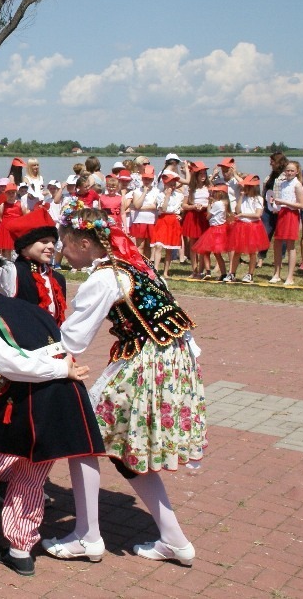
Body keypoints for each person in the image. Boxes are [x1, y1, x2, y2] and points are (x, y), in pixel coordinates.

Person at [43, 203, 205, 568]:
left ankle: (87, 535)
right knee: (123, 446)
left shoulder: (105, 277)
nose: (61, 250)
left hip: (146, 362)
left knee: (83, 433)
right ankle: (174, 540)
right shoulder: (136, 264)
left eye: (65, 242)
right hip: (171, 362)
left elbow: (73, 339)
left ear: (84, 242)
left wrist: (26, 357)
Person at [0, 246, 102, 576]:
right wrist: (62, 368)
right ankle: (20, 549)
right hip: (60, 401)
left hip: (25, 400)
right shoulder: (30, 307)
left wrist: (59, 369)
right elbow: (60, 346)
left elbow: (11, 364)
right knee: (29, 474)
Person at [0, 206, 67, 324]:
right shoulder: (13, 272)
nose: (51, 246)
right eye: (44, 241)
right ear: (24, 246)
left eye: (53, 242)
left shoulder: (58, 279)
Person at [228, 176, 270, 284]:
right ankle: (232, 273)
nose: (244, 187)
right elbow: (237, 210)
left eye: (247, 186)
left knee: (252, 252)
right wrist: (241, 197)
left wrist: (243, 214)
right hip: (241, 225)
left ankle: (250, 274)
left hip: (253, 226)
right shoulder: (243, 197)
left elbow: (257, 214)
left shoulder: (258, 198)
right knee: (237, 251)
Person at [269, 160, 303, 285]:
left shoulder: (297, 185)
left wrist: (283, 202)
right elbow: (279, 199)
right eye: (287, 170)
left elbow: (302, 205)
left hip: (291, 214)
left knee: (290, 245)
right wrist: (275, 204)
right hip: (282, 213)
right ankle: (276, 273)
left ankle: (290, 276)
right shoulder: (282, 183)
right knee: (277, 243)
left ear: (297, 172)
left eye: (292, 171)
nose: (289, 173)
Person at [193, 185, 233, 281]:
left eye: (215, 192)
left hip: (214, 229)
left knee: (206, 251)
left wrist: (209, 204)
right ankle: (223, 273)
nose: (213, 194)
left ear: (220, 193)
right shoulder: (224, 203)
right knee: (217, 254)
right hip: (220, 229)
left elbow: (208, 216)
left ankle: (208, 271)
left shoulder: (217, 204)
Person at [150, 171, 184, 278]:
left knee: (169, 248)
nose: (172, 187)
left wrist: (180, 215)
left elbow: (180, 208)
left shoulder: (179, 196)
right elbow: (163, 209)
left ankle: (166, 272)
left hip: (173, 220)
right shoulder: (160, 195)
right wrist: (167, 196)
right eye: (170, 184)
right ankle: (156, 269)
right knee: (159, 246)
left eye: (174, 185)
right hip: (163, 220)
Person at [181, 162, 210, 279]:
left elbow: (213, 202)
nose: (203, 176)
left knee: (203, 243)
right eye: (200, 174)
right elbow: (184, 205)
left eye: (204, 173)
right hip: (193, 215)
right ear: (196, 175)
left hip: (204, 215)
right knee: (193, 244)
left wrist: (204, 206)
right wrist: (193, 206)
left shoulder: (209, 187)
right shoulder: (189, 188)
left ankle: (202, 270)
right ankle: (194, 269)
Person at [129, 166, 158, 257]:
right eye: (145, 178)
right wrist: (144, 192)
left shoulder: (157, 191)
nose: (147, 181)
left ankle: (147, 263)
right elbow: (137, 205)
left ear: (152, 179)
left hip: (151, 221)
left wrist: (140, 208)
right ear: (142, 178)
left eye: (149, 179)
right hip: (139, 221)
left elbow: (155, 206)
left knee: (149, 246)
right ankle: (140, 263)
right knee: (140, 245)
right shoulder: (137, 191)